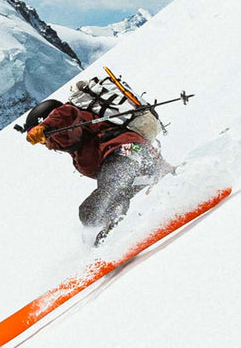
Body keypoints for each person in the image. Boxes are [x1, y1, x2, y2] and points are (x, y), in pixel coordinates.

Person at [23, 99, 173, 244]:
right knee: (88, 211)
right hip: (133, 162)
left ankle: (115, 234)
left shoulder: (70, 124)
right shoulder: (73, 147)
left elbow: (67, 113)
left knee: (107, 195)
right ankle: (166, 175)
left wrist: (45, 127)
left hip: (126, 150)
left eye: (41, 139)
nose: (44, 144)